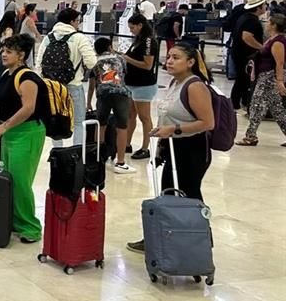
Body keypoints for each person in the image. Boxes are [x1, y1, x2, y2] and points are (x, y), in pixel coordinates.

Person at [127, 41, 215, 254]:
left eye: (176, 58)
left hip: (192, 148)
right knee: (169, 194)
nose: (169, 61)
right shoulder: (174, 83)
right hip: (173, 148)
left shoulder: (195, 86)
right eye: (168, 57)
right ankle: (161, 237)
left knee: (189, 196)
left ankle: (199, 243)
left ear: (191, 62)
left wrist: (174, 130)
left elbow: (207, 123)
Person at [0, 34, 46, 244]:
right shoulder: (7, 74)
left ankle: (30, 226)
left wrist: (5, 126)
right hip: (10, 133)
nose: (4, 54)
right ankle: (14, 219)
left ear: (21, 55)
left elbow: (28, 108)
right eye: (3, 50)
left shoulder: (27, 78)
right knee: (9, 179)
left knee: (21, 181)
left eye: (9, 51)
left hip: (27, 133)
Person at [35, 8, 96, 145]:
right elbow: (91, 62)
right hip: (73, 85)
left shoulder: (48, 38)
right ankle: (77, 153)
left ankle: (58, 153)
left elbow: (39, 63)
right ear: (72, 21)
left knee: (55, 118)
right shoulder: (79, 38)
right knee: (79, 122)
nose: (78, 24)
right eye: (78, 21)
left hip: (53, 87)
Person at [237, 14, 286, 147]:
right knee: (277, 109)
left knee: (256, 105)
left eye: (269, 22)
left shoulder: (278, 42)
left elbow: (280, 62)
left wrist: (280, 81)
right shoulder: (272, 39)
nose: (266, 24)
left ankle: (250, 136)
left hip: (269, 77)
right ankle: (251, 135)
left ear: (274, 25)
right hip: (265, 76)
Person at [89, 38, 134, 173]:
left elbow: (92, 84)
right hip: (120, 94)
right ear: (109, 47)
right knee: (122, 127)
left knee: (101, 125)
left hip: (102, 94)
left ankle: (98, 158)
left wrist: (88, 102)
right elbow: (124, 74)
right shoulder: (120, 58)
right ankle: (120, 162)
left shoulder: (95, 62)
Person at [124, 14, 158, 160]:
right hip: (131, 82)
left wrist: (127, 59)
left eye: (132, 27)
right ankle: (126, 143)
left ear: (140, 25)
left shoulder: (149, 41)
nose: (131, 30)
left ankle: (146, 147)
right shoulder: (138, 40)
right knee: (130, 115)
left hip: (143, 84)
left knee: (144, 117)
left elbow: (147, 65)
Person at [230, 0, 268, 111]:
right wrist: (261, 47)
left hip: (238, 52)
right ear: (259, 7)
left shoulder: (245, 17)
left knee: (243, 79)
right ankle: (235, 103)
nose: (266, 6)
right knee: (243, 79)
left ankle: (241, 101)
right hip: (244, 54)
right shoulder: (252, 20)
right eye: (264, 4)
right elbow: (247, 37)